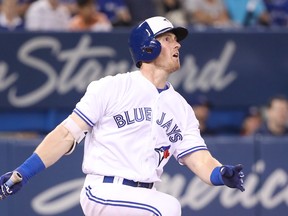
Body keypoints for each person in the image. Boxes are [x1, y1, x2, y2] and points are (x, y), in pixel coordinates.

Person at [0, 16, 245, 216]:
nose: (177, 45)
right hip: (104, 191)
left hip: (144, 197)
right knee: (168, 208)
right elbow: (66, 134)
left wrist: (221, 173)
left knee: (163, 206)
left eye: (176, 40)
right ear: (148, 46)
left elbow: (200, 160)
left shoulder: (181, 108)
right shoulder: (111, 87)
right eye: (168, 39)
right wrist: (23, 172)